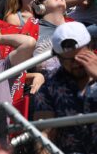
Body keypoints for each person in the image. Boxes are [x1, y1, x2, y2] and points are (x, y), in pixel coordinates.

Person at [34, 22, 97, 153]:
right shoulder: (49, 86)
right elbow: (43, 135)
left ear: (91, 47)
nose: (76, 64)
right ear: (59, 58)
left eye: (81, 57)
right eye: (69, 60)